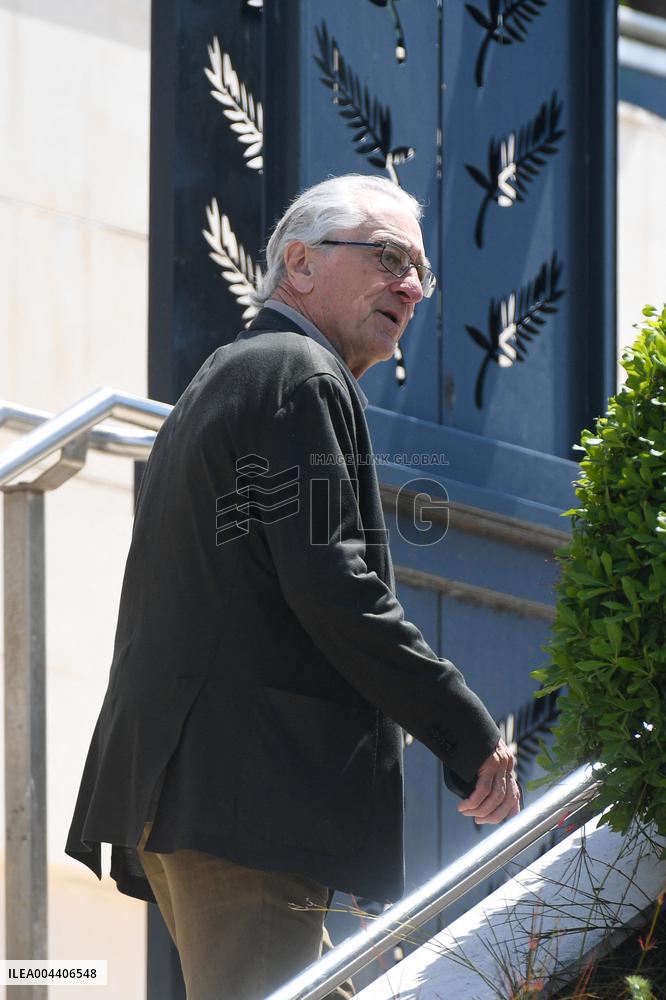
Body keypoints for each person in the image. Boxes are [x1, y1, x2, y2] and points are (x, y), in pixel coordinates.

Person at [66, 173, 520, 1000]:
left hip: (206, 790)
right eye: (387, 258)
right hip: (245, 799)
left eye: (421, 271)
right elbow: (337, 587)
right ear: (300, 264)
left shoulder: (240, 372)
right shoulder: (298, 373)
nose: (412, 287)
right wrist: (467, 731)